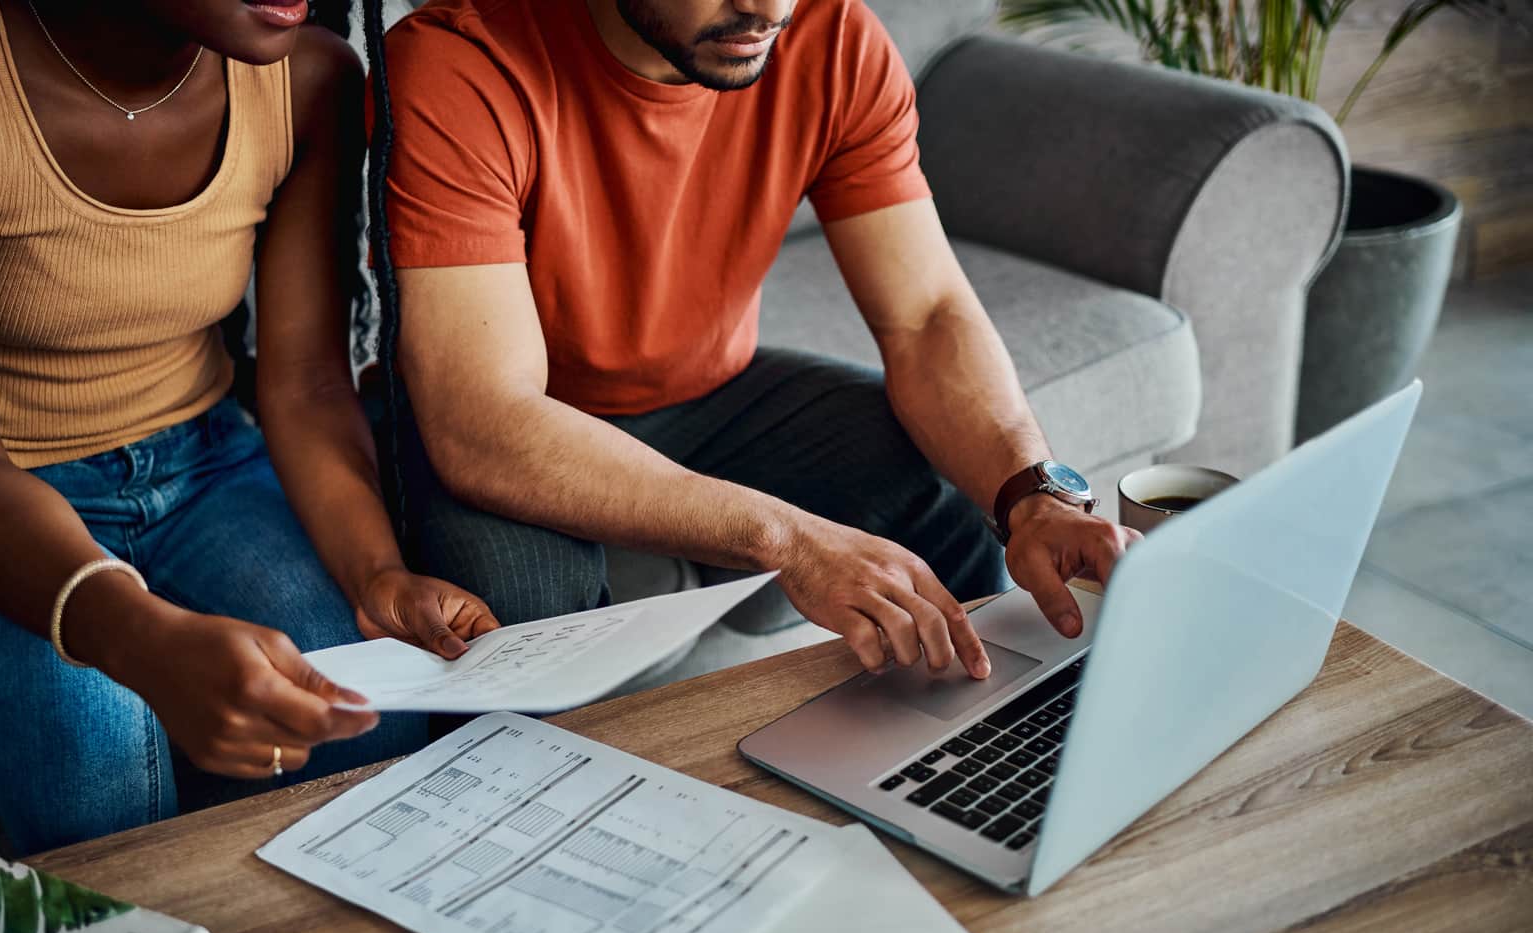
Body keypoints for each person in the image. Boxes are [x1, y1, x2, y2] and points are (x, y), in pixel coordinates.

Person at [364, 0, 1140, 679]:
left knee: (939, 490)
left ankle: (966, 764)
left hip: (715, 393)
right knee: (524, 623)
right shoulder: (457, 64)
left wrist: (1031, 495)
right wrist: (786, 538)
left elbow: (927, 314)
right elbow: (483, 422)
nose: (767, 8)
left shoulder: (833, 40)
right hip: (521, 416)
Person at [0, 0, 499, 855]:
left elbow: (307, 381)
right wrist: (140, 636)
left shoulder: (307, 79)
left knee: (362, 710)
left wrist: (378, 571)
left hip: (206, 459)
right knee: (96, 758)